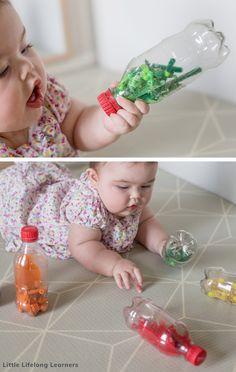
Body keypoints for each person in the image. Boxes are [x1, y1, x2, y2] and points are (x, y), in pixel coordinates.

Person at [0, 0, 149, 157]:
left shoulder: (49, 100)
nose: (28, 66)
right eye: (2, 70)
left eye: (25, 48)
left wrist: (107, 122)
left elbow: (77, 125)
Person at [0, 162, 168, 292]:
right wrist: (115, 264)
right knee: (13, 198)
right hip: (37, 207)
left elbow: (146, 222)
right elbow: (83, 246)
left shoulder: (132, 202)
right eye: (123, 187)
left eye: (146, 186)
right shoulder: (87, 208)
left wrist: (162, 244)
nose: (137, 196)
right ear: (94, 179)